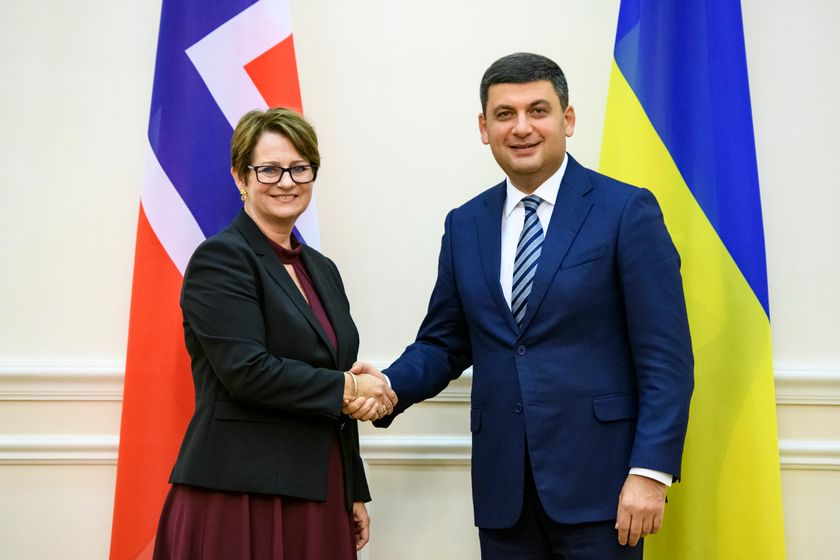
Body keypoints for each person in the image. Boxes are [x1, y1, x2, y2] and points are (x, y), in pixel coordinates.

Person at [348, 52, 694, 559]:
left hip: (604, 491)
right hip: (503, 492)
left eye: (539, 110)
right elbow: (445, 342)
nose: (522, 127)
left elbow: (666, 359)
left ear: (567, 119)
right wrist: (388, 385)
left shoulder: (626, 211)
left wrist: (650, 473)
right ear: (484, 128)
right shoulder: (465, 223)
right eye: (505, 114)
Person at [153, 107, 397, 560]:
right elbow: (248, 372)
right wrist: (349, 386)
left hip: (319, 488)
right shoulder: (221, 259)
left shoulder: (322, 270)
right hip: (240, 493)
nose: (286, 181)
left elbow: (331, 386)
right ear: (240, 178)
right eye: (269, 169)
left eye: (300, 167)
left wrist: (353, 490)